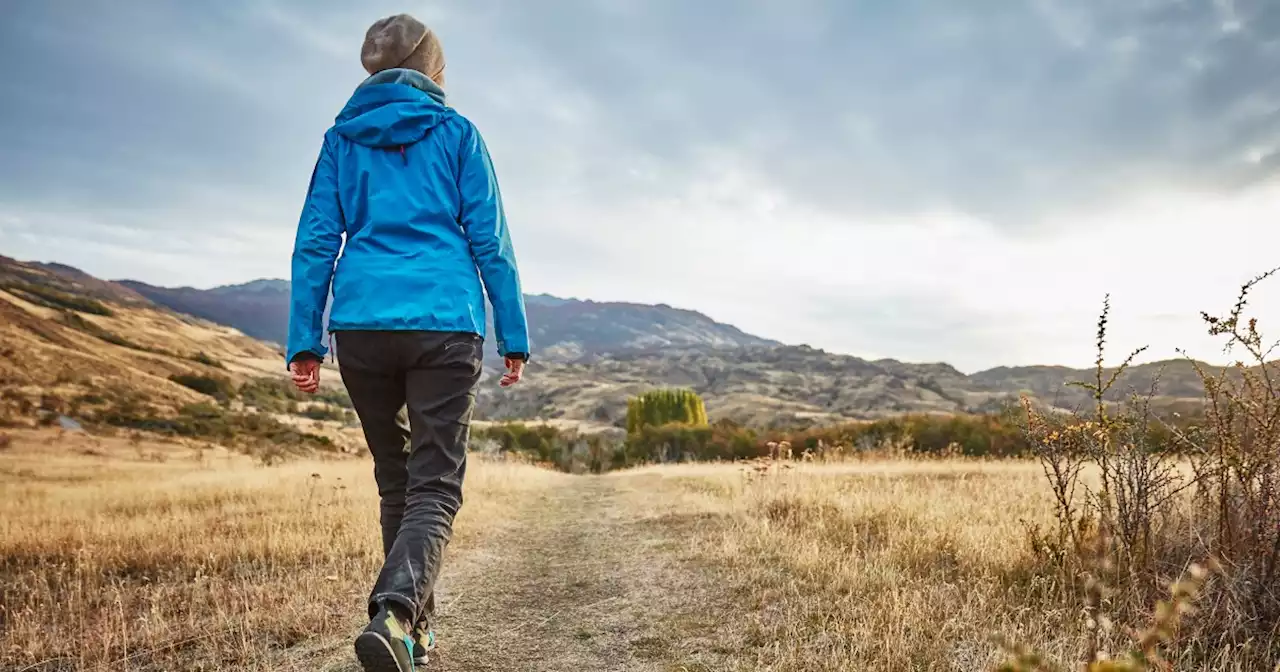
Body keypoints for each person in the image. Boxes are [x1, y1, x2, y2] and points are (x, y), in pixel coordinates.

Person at [285, 13, 530, 672]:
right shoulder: (456, 135)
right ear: (433, 68)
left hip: (361, 326)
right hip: (443, 322)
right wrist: (514, 330)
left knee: (398, 484)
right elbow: (491, 241)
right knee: (435, 487)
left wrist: (304, 339)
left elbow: (315, 242)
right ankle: (395, 612)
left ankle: (410, 638)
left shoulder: (341, 140)